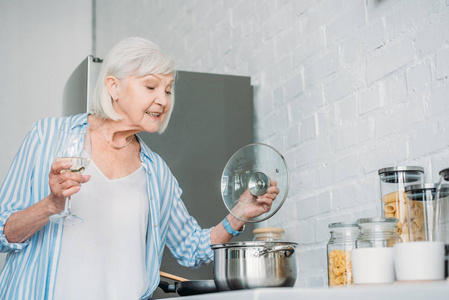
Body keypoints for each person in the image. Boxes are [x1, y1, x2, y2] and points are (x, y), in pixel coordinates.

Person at [0, 37, 279, 300]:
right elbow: (4, 232)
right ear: (113, 87)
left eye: (168, 90)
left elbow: (191, 249)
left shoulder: (157, 172)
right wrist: (51, 204)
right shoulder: (47, 137)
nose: (164, 100)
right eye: (151, 86)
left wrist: (240, 213)